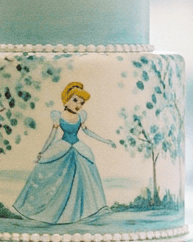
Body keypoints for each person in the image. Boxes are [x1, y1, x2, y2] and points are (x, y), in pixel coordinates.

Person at [13, 81, 116, 223]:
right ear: (66, 100)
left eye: (81, 102)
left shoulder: (81, 116)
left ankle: (83, 212)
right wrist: (42, 151)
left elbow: (88, 132)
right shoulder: (58, 116)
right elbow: (52, 135)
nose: (78, 105)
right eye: (75, 100)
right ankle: (49, 212)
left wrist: (105, 140)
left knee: (84, 179)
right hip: (63, 148)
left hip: (78, 148)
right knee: (58, 180)